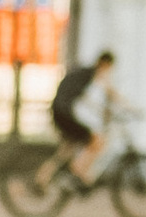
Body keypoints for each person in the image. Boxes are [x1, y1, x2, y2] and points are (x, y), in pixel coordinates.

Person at [49, 48, 115, 184]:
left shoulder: (84, 74)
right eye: (109, 68)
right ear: (105, 64)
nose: (108, 72)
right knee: (97, 141)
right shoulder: (91, 75)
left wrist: (100, 111)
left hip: (59, 111)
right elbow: (105, 94)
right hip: (65, 114)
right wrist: (105, 111)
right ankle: (77, 172)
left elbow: (83, 97)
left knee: (66, 151)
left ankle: (41, 180)